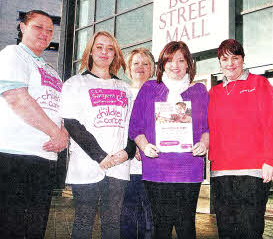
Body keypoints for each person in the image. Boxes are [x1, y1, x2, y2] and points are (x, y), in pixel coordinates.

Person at [59, 31, 136, 239]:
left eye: (110, 48)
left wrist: (128, 152)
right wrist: (100, 156)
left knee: (112, 223)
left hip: (118, 167)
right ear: (91, 52)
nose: (105, 52)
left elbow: (132, 126)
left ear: (115, 54)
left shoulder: (125, 88)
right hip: (87, 165)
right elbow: (72, 124)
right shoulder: (75, 84)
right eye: (100, 47)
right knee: (84, 221)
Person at [129, 41, 209, 239]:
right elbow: (135, 127)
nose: (176, 65)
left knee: (186, 225)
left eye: (181, 60)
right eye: (170, 60)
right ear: (162, 64)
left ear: (189, 64)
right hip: (157, 168)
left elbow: (208, 128)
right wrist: (144, 146)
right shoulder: (148, 89)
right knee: (160, 226)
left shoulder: (199, 91)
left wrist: (204, 143)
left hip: (189, 168)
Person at [0, 10, 68, 238]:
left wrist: (63, 133)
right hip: (15, 157)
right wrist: (56, 134)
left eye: (50, 30)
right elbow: (17, 98)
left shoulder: (50, 70)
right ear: (22, 28)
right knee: (12, 228)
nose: (46, 33)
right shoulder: (13, 54)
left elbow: (62, 110)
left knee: (36, 228)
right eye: (38, 27)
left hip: (45, 159)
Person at [208, 39, 273, 239]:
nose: (230, 63)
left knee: (249, 230)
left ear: (243, 59)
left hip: (252, 170)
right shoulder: (213, 93)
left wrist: (271, 159)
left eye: (235, 58)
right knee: (225, 231)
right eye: (225, 59)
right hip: (220, 172)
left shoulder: (259, 84)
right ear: (219, 62)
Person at [120, 48, 155, 239]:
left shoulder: (159, 93)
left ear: (152, 69)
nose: (140, 68)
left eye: (145, 64)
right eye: (136, 63)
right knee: (127, 219)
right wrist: (134, 147)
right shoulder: (122, 93)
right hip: (126, 169)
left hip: (153, 170)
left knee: (150, 221)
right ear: (128, 68)